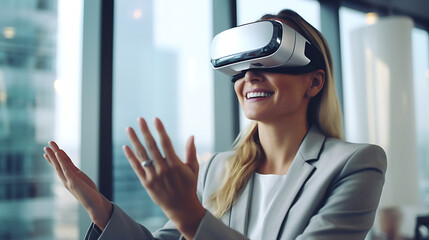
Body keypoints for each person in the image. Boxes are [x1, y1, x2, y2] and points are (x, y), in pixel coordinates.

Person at [43, 9, 387, 240]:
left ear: (314, 83)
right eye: (243, 66)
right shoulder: (218, 169)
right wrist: (101, 211)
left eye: (270, 62)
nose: (250, 76)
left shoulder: (355, 164)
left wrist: (190, 214)